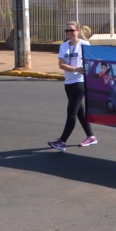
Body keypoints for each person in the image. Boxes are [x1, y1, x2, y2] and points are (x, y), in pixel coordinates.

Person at [48, 21, 96, 151]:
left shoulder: (85, 45)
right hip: (68, 82)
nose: (69, 33)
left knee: (71, 113)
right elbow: (61, 64)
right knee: (80, 112)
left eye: (72, 30)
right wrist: (76, 69)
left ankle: (62, 141)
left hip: (79, 82)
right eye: (67, 31)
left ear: (78, 31)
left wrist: (84, 70)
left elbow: (91, 62)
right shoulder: (64, 46)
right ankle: (91, 136)